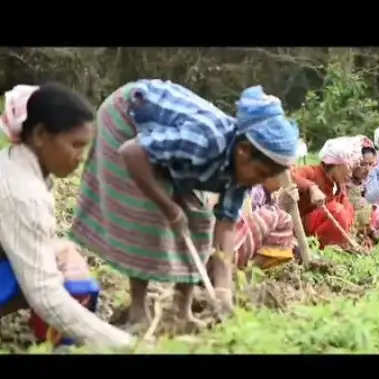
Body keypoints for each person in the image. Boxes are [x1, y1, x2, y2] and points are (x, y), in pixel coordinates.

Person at [70, 80, 302, 331]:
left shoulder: (243, 171)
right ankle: (138, 312)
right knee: (146, 213)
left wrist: (223, 288)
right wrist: (169, 208)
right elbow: (132, 153)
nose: (259, 181)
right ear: (244, 150)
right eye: (261, 172)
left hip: (166, 148)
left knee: (201, 220)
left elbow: (225, 225)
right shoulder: (204, 140)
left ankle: (182, 311)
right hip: (128, 118)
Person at [0, 83, 133, 349]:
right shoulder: (22, 193)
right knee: (68, 282)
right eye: (75, 145)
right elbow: (45, 294)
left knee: (63, 256)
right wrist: (125, 345)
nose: (80, 157)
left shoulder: (13, 161)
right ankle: (63, 345)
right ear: (40, 135)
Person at [292, 136, 370, 248]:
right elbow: (288, 176)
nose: (351, 173)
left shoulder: (338, 186)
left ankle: (337, 245)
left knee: (348, 208)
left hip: (318, 229)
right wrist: (311, 188)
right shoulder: (312, 172)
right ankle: (316, 246)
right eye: (349, 167)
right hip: (298, 226)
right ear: (337, 163)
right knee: (337, 211)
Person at [231, 176, 297, 271]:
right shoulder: (256, 191)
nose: (281, 183)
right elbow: (253, 222)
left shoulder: (270, 195)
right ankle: (249, 270)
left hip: (240, 241)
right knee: (284, 220)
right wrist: (281, 206)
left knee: (291, 243)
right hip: (235, 243)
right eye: (279, 177)